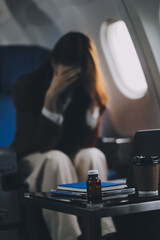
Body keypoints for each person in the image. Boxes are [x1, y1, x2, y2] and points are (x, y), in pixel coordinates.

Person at [11, 32, 116, 240]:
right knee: (56, 160)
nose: (71, 81)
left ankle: (102, 232)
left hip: (68, 157)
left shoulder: (83, 90)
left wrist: (93, 101)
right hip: (33, 157)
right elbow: (41, 144)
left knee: (92, 155)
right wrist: (51, 98)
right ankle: (68, 236)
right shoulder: (27, 85)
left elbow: (87, 143)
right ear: (54, 64)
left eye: (76, 76)